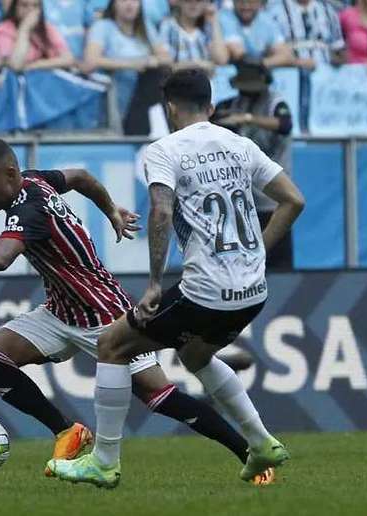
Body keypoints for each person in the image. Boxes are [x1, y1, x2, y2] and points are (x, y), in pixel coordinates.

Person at [0, 138, 275, 485]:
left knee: (162, 397)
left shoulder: (27, 211)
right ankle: (67, 431)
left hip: (104, 312)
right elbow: (80, 176)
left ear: (10, 174)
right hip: (60, 312)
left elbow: (1, 257)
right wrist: (111, 210)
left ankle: (251, 455)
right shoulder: (35, 181)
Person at [47, 69, 305, 488]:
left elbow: (162, 212)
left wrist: (153, 285)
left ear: (170, 108)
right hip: (252, 290)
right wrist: (257, 252)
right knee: (196, 355)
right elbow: (293, 200)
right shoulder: (240, 144)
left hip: (206, 291)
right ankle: (261, 442)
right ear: (212, 105)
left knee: (111, 345)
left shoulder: (164, 150)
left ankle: (104, 462)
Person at [211, 62, 294, 270]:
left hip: (271, 197)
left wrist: (248, 119)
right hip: (239, 197)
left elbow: (284, 125)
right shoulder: (231, 104)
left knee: (277, 261)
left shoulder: (276, 102)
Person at [82, 0, 172, 123]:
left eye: (134, 1)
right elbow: (90, 61)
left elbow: (166, 59)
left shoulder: (145, 26)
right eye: (124, 0)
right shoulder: (102, 26)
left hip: (143, 95)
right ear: (114, 4)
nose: (129, 4)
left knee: (160, 74)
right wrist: (133, 64)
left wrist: (151, 61)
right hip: (113, 94)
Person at [0, 0, 75, 71]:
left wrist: (35, 65)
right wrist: (24, 29)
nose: (30, 10)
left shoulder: (47, 28)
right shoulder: (2, 30)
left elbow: (68, 59)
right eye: (24, 5)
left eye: (35, 6)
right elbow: (15, 65)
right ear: (15, 7)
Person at [267, 0, 346, 69]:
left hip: (324, 75)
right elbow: (270, 50)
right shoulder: (274, 11)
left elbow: (338, 48)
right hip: (289, 75)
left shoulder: (328, 10)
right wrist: (297, 62)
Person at [157, 0, 229, 72]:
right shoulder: (168, 26)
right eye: (188, 0)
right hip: (179, 80)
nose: (193, 4)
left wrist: (214, 22)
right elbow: (164, 64)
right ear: (179, 2)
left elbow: (221, 60)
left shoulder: (208, 27)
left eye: (199, 0)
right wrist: (197, 65)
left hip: (209, 81)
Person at [220, 0, 296, 68]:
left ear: (260, 3)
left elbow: (286, 55)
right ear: (233, 2)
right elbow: (239, 55)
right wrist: (270, 57)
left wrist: (263, 63)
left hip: (260, 75)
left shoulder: (267, 19)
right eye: (241, 1)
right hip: (231, 76)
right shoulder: (225, 17)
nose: (246, 6)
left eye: (251, 2)